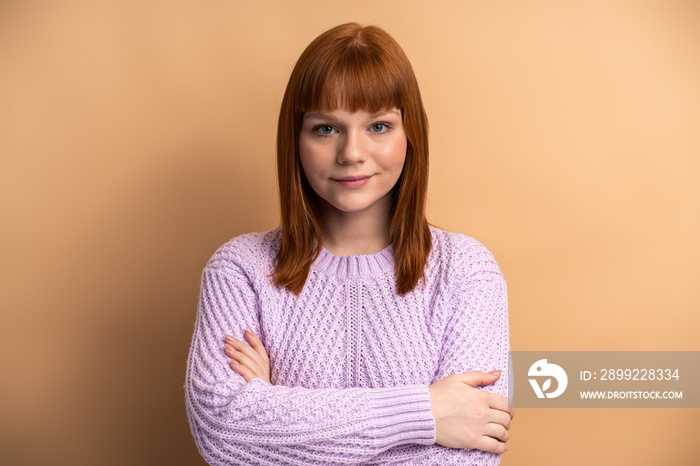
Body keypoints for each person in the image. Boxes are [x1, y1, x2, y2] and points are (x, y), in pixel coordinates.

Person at [185, 22, 513, 465]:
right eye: (326, 129)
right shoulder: (238, 271)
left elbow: (467, 455)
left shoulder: (467, 272)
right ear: (295, 139)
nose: (351, 153)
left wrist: (275, 415)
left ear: (410, 135)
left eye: (379, 126)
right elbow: (223, 433)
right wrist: (425, 413)